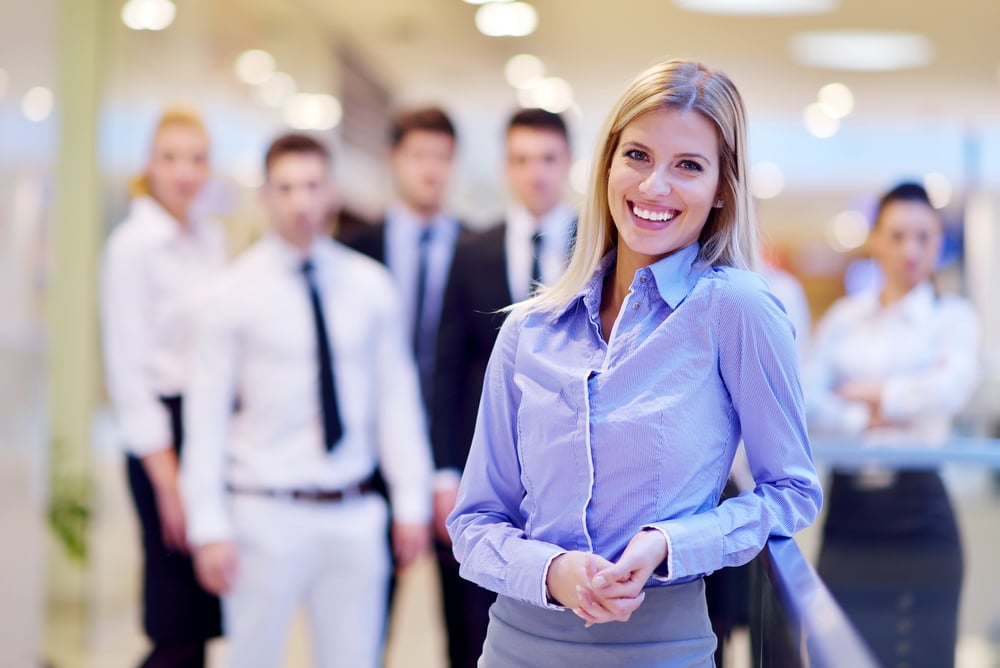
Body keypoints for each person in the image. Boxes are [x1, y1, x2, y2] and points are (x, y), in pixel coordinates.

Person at [446, 59, 822, 667]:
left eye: (689, 166)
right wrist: (552, 571)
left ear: (723, 186)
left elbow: (792, 492)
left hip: (661, 647)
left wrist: (673, 542)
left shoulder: (736, 310)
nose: (654, 187)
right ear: (607, 165)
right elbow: (476, 522)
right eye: (639, 156)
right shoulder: (529, 329)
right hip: (515, 647)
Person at [180, 133, 433, 668]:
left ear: (332, 193)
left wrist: (410, 501)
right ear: (266, 196)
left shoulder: (370, 287)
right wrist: (208, 524)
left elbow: (396, 400)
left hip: (353, 510)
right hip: (262, 510)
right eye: (286, 187)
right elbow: (204, 420)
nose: (300, 202)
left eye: (312, 186)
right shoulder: (230, 295)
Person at [806, 182, 979, 668]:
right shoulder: (844, 318)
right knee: (837, 652)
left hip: (921, 514)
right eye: (899, 235)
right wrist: (874, 414)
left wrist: (870, 390)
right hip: (849, 516)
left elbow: (951, 388)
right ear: (876, 239)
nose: (911, 250)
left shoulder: (952, 317)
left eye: (924, 237)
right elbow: (810, 403)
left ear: (938, 242)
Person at [431, 107, 576, 667]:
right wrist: (445, 471)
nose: (535, 173)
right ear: (505, 168)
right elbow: (447, 367)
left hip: (562, 464)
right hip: (483, 461)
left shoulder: (601, 245)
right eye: (522, 160)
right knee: (472, 619)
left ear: (567, 163)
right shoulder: (471, 249)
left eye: (547, 159)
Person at [100, 106, 225, 668]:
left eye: (196, 158)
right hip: (162, 436)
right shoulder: (133, 246)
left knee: (202, 613)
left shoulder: (208, 237)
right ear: (148, 163)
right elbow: (128, 371)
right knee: (173, 616)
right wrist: (168, 477)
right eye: (170, 157)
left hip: (206, 426)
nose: (184, 171)